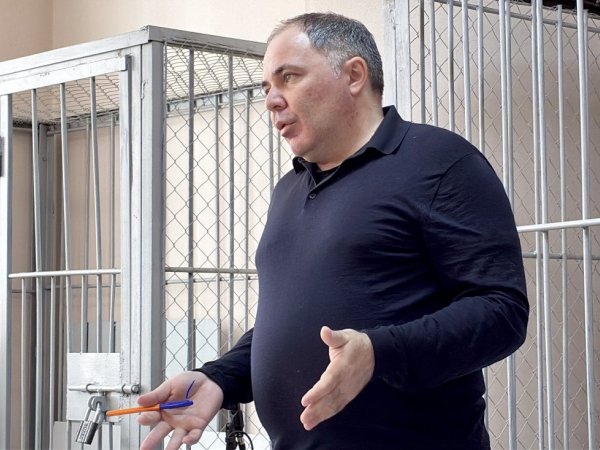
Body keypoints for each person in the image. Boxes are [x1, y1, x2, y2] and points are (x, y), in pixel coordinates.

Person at [137, 12, 529, 450]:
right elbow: (294, 328)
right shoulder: (289, 188)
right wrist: (219, 378)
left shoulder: (439, 162)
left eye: (289, 77)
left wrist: (379, 352)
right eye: (266, 87)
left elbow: (502, 311)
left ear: (354, 75)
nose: (272, 101)